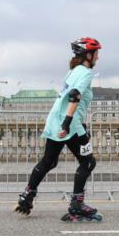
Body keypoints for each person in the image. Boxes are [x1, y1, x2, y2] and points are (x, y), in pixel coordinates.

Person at [15, 37, 102, 222]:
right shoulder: (85, 73)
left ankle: (27, 195)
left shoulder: (72, 72)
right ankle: (77, 205)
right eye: (96, 54)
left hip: (55, 121)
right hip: (69, 126)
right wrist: (68, 123)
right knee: (88, 163)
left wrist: (64, 123)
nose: (98, 58)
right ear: (88, 54)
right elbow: (74, 96)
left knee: (48, 161)